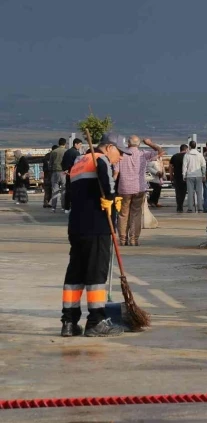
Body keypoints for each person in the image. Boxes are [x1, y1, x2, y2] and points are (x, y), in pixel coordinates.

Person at [61, 133, 131, 337]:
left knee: (75, 274)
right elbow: (108, 188)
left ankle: (69, 321)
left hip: (76, 226)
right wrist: (111, 199)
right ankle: (96, 321)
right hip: (97, 226)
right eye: (119, 152)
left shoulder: (79, 161)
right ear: (109, 147)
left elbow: (68, 198)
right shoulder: (102, 160)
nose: (121, 157)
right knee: (96, 275)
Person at [116, 135, 164, 246]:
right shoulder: (143, 154)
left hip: (124, 188)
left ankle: (123, 239)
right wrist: (150, 143)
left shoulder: (121, 155)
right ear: (138, 144)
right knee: (136, 213)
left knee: (123, 214)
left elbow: (116, 173)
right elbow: (160, 152)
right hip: (139, 188)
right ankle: (134, 239)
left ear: (128, 144)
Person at [183, 140, 205, 213]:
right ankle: (200, 208)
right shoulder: (200, 154)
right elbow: (203, 165)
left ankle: (190, 208)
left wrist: (184, 175)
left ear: (189, 146)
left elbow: (184, 166)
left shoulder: (187, 155)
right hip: (198, 175)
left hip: (189, 176)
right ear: (195, 146)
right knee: (199, 192)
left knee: (190, 193)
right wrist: (203, 174)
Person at [61, 138, 83, 212]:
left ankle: (66, 208)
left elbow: (62, 162)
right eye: (80, 144)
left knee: (68, 191)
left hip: (68, 174)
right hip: (75, 175)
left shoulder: (67, 152)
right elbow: (79, 165)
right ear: (75, 144)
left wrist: (65, 170)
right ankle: (73, 207)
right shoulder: (76, 153)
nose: (80, 146)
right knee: (75, 191)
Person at [49, 138, 68, 213]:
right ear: (65, 143)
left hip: (55, 172)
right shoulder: (66, 151)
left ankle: (53, 207)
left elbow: (50, 163)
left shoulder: (53, 151)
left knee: (54, 190)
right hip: (64, 172)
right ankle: (63, 206)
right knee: (64, 190)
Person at [168, 144, 188, 213]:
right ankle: (181, 205)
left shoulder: (175, 156)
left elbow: (170, 166)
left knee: (177, 192)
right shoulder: (187, 156)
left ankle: (179, 206)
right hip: (185, 176)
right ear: (186, 149)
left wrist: (171, 175)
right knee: (183, 192)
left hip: (176, 176)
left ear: (180, 149)